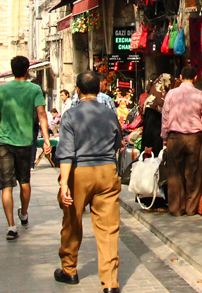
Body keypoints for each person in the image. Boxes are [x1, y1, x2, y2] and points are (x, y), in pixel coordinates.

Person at [54, 70, 123, 292]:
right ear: (99, 88)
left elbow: (65, 152)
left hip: (78, 172)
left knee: (72, 221)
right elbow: (117, 143)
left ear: (78, 90)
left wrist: (64, 183)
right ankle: (110, 283)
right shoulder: (109, 113)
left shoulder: (71, 115)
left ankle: (69, 269)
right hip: (106, 171)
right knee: (109, 228)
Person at [0, 55, 51, 240]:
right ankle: (23, 213)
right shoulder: (34, 89)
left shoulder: (2, 88)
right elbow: (41, 114)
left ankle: (11, 226)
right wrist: (46, 139)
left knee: (6, 185)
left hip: (4, 142)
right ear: (27, 70)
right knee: (24, 181)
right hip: (24, 142)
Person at [160, 66, 202, 216]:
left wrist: (164, 137)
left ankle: (176, 209)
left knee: (174, 173)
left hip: (174, 137)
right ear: (195, 78)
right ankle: (191, 208)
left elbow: (165, 117)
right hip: (194, 138)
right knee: (194, 173)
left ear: (181, 77)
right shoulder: (200, 95)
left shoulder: (171, 94)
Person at [141, 73, 171, 157]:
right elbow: (149, 124)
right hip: (154, 142)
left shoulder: (157, 99)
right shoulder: (154, 102)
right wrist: (148, 145)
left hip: (159, 140)